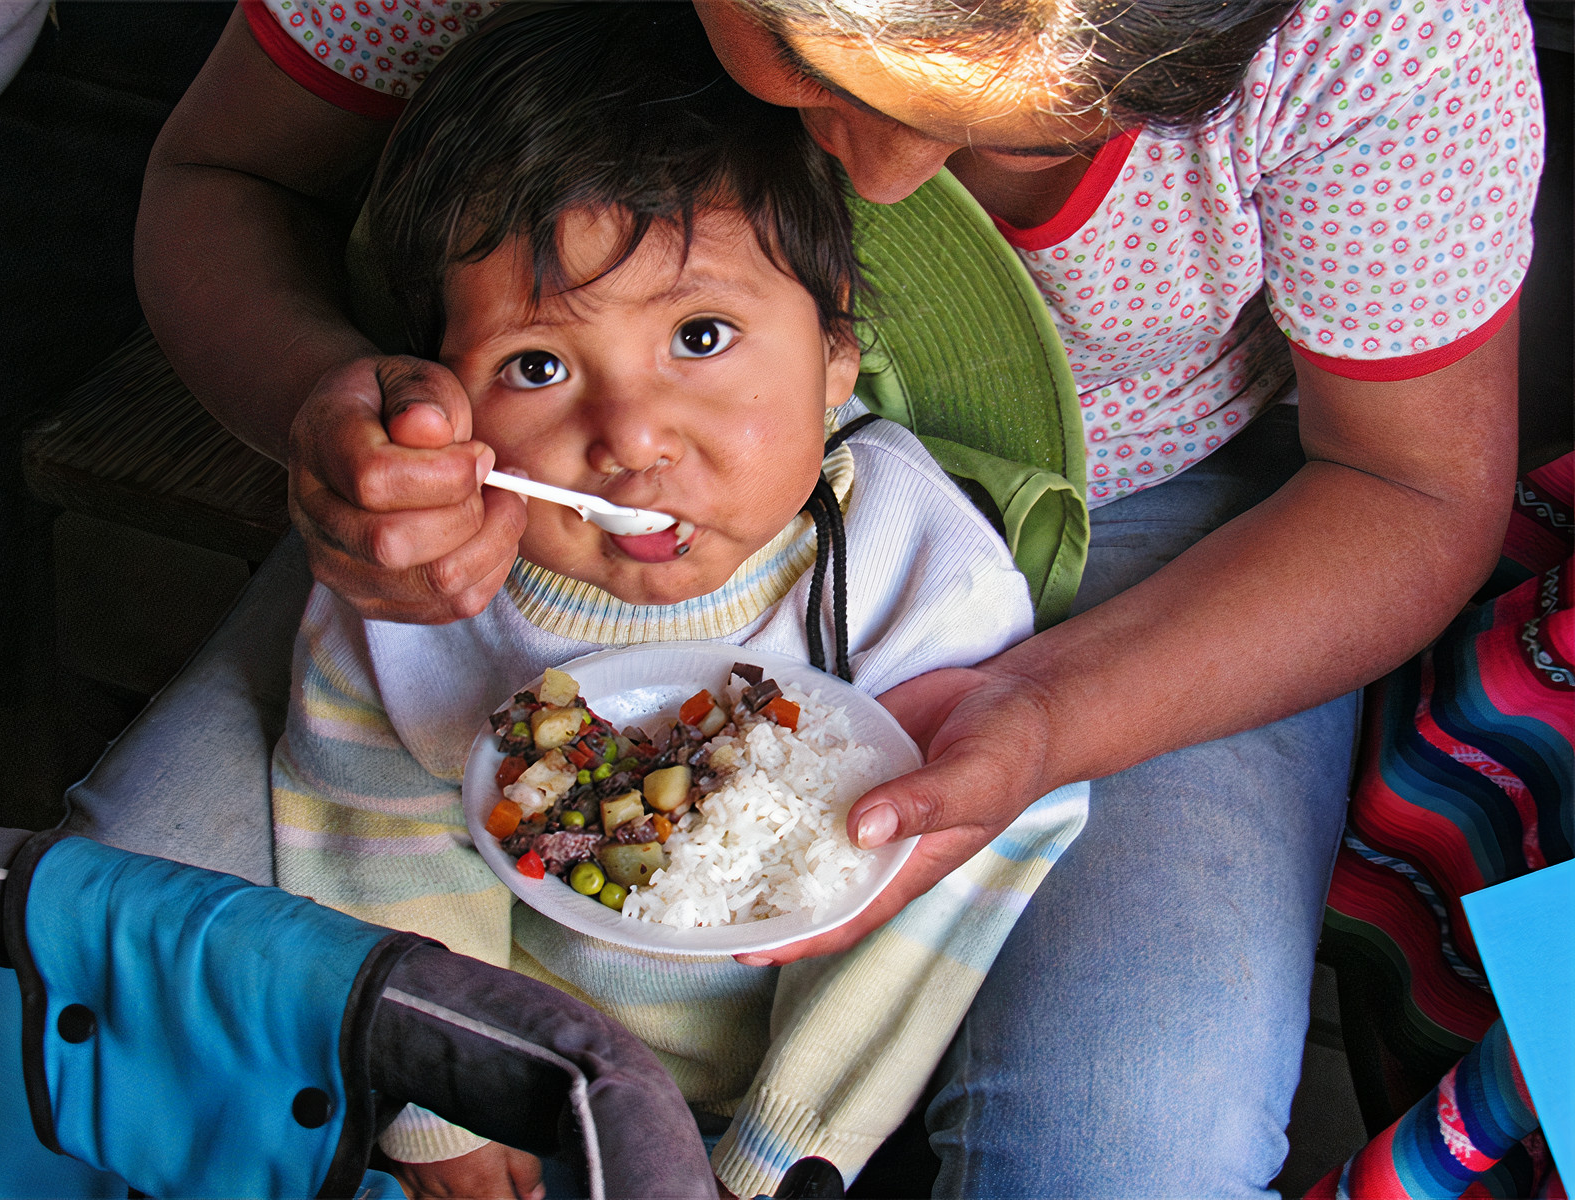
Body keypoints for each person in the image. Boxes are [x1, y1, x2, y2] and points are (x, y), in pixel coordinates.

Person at [111, 0, 1543, 1195]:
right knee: (134, 966)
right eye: (820, 63)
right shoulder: (531, 466)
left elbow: (1410, 489)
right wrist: (343, 429)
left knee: (1131, 1137)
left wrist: (1045, 716)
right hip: (512, 506)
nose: (895, 177)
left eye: (1031, 122)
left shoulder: (1385, 31)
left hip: (1163, 542)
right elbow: (224, 182)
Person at [268, 7, 1085, 1197]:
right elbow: (368, 822)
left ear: (835, 358)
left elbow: (945, 896)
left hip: (821, 1124)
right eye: (536, 368)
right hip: (501, 1081)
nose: (632, 436)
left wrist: (780, 1153)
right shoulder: (429, 587)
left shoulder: (918, 572)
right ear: (442, 391)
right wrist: (443, 1106)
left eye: (701, 334)